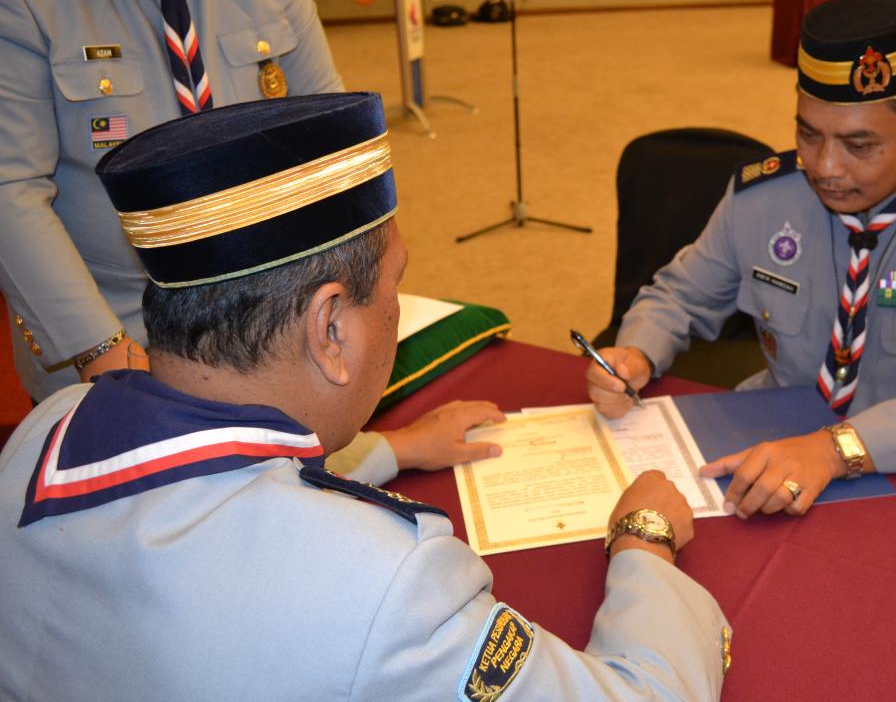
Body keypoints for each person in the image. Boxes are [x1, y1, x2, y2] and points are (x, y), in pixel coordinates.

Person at [0, 92, 731, 701]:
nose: (396, 311)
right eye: (394, 286)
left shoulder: (46, 431)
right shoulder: (384, 583)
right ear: (329, 329)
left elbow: (210, 495)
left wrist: (390, 449)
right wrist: (644, 543)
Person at [0, 0, 496, 464]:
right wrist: (100, 349)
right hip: (120, 326)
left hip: (279, 320)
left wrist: (362, 299)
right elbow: (10, 191)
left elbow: (331, 139)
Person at [586, 0, 896, 520]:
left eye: (859, 145)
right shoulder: (761, 197)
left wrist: (834, 448)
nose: (824, 166)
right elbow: (679, 294)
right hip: (766, 440)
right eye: (808, 132)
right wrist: (637, 354)